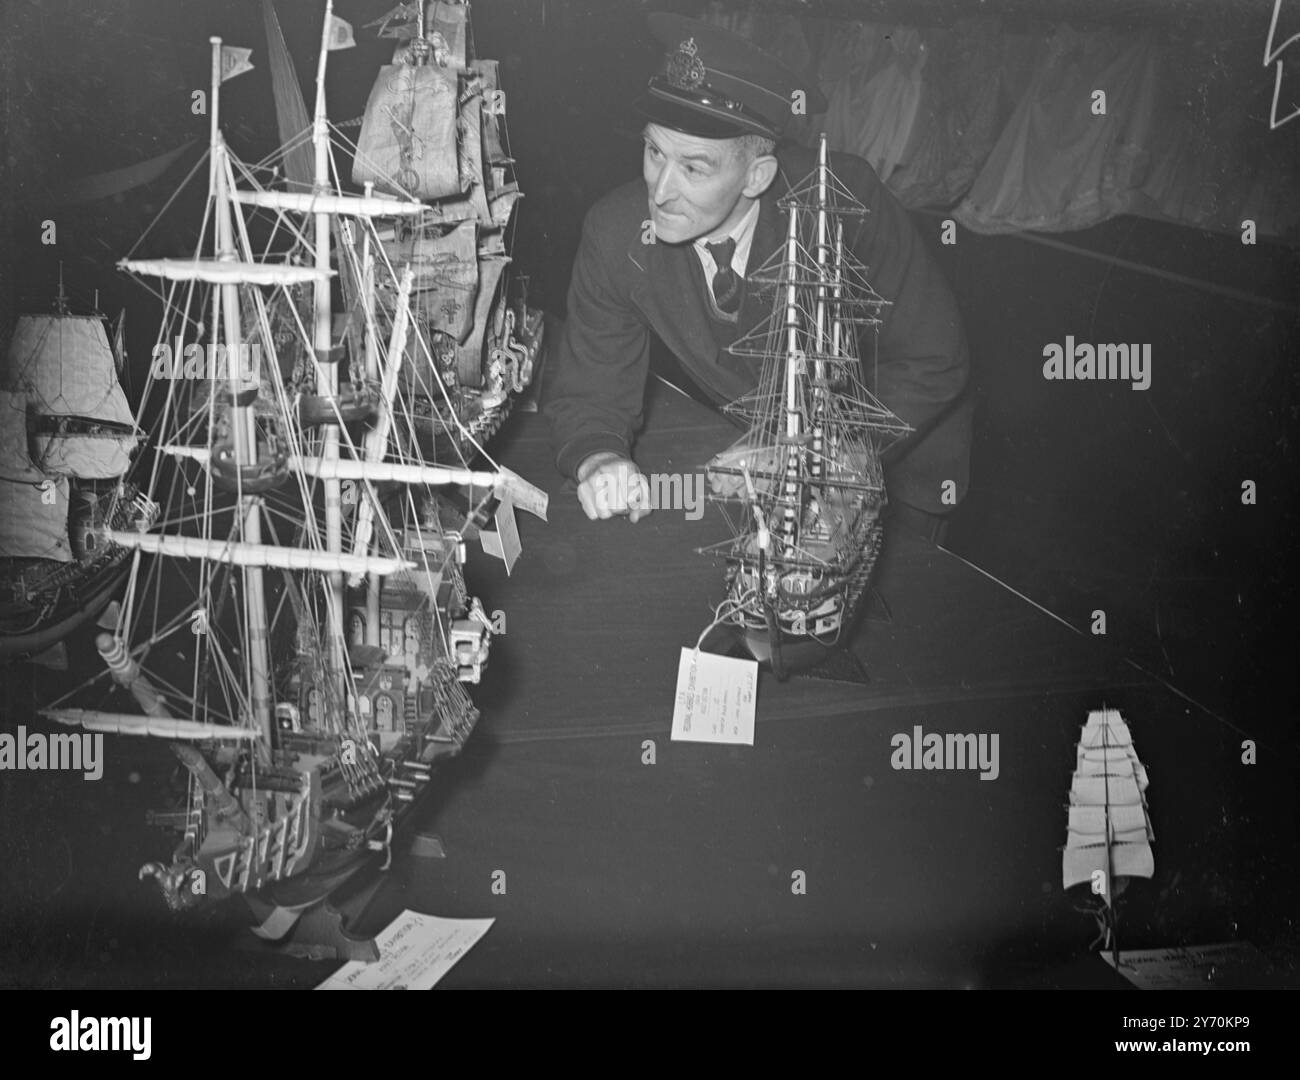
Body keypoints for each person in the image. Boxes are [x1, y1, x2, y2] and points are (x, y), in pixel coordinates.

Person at [543, 14, 971, 543]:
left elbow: (934, 360)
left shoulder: (843, 204)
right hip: (758, 454)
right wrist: (598, 456)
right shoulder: (616, 233)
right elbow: (593, 388)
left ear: (756, 176)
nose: (660, 191)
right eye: (655, 151)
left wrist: (808, 453)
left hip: (898, 455)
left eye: (694, 168)